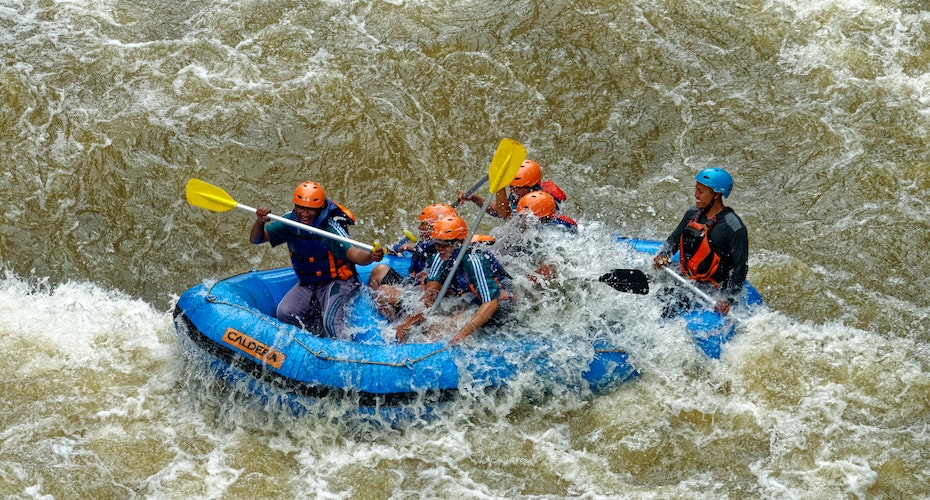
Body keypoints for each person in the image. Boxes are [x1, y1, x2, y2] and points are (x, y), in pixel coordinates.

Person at [251, 181, 384, 339]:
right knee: (284, 313)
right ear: (295, 206)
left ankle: (342, 355)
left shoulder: (330, 228)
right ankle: (313, 341)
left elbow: (354, 254)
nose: (305, 214)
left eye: (311, 209)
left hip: (338, 281)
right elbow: (257, 239)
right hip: (309, 283)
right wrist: (260, 221)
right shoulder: (289, 221)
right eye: (301, 208)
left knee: (331, 323)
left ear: (320, 208)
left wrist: (371, 256)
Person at [395, 215, 510, 345]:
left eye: (444, 244)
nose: (439, 248)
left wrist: (462, 333)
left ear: (459, 243)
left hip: (496, 305)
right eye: (436, 243)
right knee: (426, 325)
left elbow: (490, 303)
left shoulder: (474, 260)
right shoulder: (441, 257)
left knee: (436, 330)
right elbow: (429, 298)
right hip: (468, 300)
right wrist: (405, 325)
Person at [652, 167, 748, 315]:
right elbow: (674, 239)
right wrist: (664, 255)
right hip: (685, 274)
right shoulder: (693, 213)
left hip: (711, 286)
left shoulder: (733, 227)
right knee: (652, 288)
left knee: (667, 305)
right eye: (696, 189)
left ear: (716, 195)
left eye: (701, 192)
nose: (696, 195)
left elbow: (740, 267)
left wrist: (728, 300)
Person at [367, 203, 459, 320]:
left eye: (423, 224)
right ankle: (388, 315)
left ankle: (399, 323)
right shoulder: (431, 245)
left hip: (425, 298)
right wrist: (407, 247)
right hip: (413, 287)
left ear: (435, 228)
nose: (419, 228)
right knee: (379, 270)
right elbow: (424, 251)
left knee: (383, 291)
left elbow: (431, 296)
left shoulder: (443, 255)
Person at [458, 159, 567, 219]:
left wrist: (499, 186)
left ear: (530, 186)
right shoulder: (519, 194)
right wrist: (475, 198)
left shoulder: (539, 201)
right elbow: (499, 210)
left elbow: (505, 214)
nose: (513, 190)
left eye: (517, 187)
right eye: (511, 185)